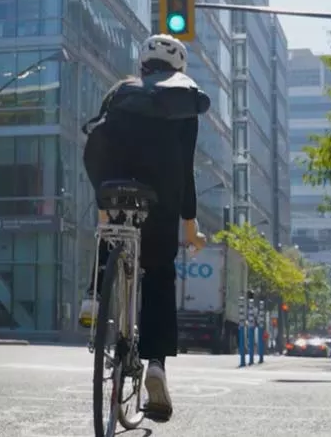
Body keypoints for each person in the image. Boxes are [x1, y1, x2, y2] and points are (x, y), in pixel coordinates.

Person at [79, 34, 209, 421]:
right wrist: (190, 223)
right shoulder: (184, 98)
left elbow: (100, 142)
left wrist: (102, 204)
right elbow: (185, 168)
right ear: (179, 68)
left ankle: (94, 296)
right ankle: (156, 364)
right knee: (159, 274)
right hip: (161, 200)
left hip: (115, 185)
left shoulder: (121, 91)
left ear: (142, 64)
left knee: (112, 230)